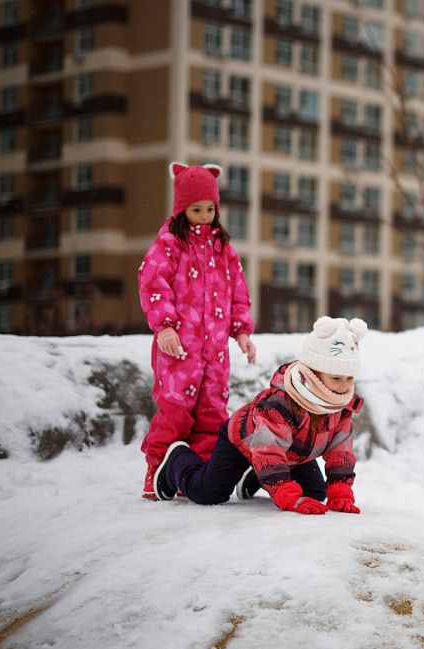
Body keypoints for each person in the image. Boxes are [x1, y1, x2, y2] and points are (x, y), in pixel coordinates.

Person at [153, 317, 367, 515]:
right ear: (313, 373)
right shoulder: (281, 404)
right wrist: (285, 494)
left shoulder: (341, 407)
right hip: (244, 441)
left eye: (349, 378)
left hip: (292, 453)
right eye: (336, 378)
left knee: (314, 493)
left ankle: (258, 475)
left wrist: (340, 489)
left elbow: (341, 449)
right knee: (208, 493)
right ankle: (177, 460)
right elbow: (268, 451)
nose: (344, 386)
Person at [137, 161, 256, 500]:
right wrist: (165, 327)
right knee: (174, 411)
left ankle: (196, 473)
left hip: (215, 354)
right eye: (196, 209)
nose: (204, 215)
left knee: (212, 414)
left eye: (209, 209)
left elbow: (238, 293)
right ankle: (157, 467)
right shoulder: (171, 244)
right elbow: (152, 282)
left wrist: (242, 332)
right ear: (181, 209)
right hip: (179, 351)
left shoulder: (224, 250)